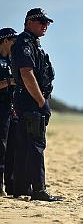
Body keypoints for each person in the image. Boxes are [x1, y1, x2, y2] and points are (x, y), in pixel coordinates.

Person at [11, 8, 61, 201]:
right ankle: (38, 190)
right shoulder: (25, 43)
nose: (44, 25)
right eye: (40, 22)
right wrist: (41, 102)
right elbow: (26, 73)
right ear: (28, 22)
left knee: (24, 145)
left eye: (46, 22)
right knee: (35, 145)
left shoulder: (32, 44)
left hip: (28, 101)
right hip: (31, 102)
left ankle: (22, 188)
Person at [0, 28, 17, 196]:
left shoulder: (12, 60)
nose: (15, 44)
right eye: (13, 41)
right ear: (5, 41)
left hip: (11, 109)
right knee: (1, 147)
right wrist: (9, 81)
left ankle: (11, 186)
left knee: (12, 148)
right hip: (1, 109)